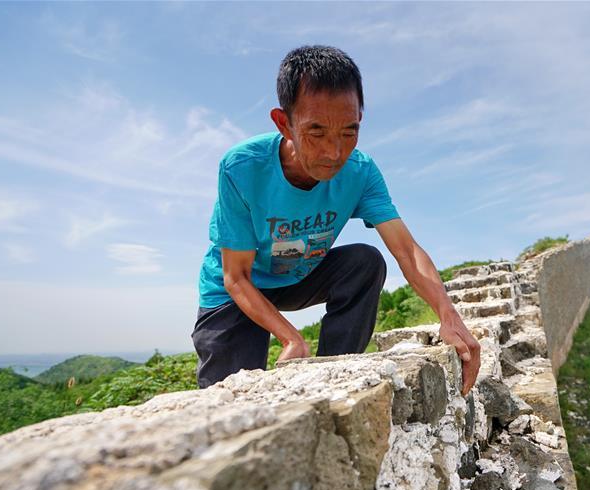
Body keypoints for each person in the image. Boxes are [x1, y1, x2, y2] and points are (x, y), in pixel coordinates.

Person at [191, 45, 480, 394]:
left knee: (365, 262)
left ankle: (333, 377)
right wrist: (291, 338)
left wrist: (448, 316)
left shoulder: (360, 172)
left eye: (348, 132)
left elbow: (406, 249)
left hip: (299, 276)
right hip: (238, 290)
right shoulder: (242, 167)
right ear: (284, 123)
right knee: (229, 401)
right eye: (316, 132)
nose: (334, 153)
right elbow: (235, 277)